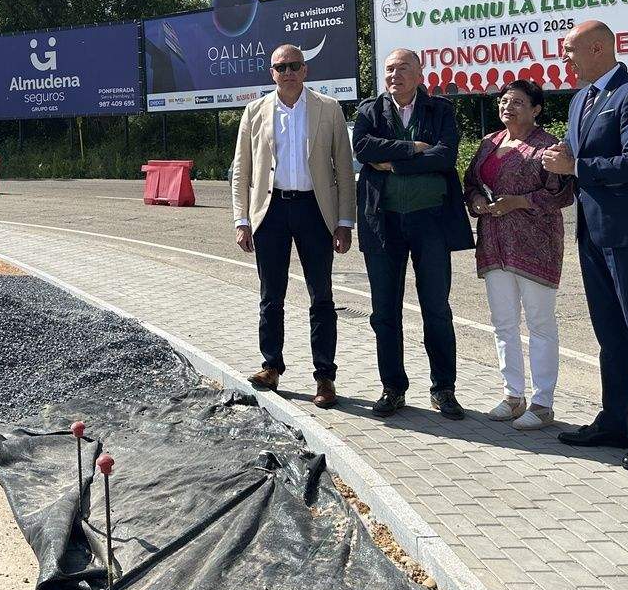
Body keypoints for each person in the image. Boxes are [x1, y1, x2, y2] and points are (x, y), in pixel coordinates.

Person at [543, 21, 628, 471]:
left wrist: (576, 164)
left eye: (569, 50)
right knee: (610, 335)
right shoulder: (582, 98)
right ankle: (614, 419)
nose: (564, 59)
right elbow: (578, 161)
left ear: (597, 48)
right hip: (593, 233)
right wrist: (563, 163)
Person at [231, 43, 357, 407]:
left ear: (305, 71)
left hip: (315, 212)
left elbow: (344, 170)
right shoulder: (254, 111)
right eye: (280, 67)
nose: (287, 72)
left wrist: (345, 220)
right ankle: (271, 366)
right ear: (271, 72)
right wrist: (242, 219)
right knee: (271, 296)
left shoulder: (329, 109)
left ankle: (325, 378)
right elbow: (242, 170)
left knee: (321, 297)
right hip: (270, 214)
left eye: (294, 66)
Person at [353, 49, 474, 420]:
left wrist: (393, 164)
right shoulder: (369, 111)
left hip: (430, 223)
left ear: (420, 74)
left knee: (436, 308)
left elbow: (445, 156)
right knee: (384, 311)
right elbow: (362, 147)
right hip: (383, 223)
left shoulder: (440, 111)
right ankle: (393, 387)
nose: (394, 74)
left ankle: (444, 389)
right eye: (389, 69)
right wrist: (411, 149)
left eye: (403, 68)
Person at [463, 80, 574, 430]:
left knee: (540, 324)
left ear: (536, 109)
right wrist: (477, 200)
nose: (508, 107)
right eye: (504, 101)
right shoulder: (488, 143)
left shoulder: (549, 147)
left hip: (535, 243)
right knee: (503, 323)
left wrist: (520, 202)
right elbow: (470, 182)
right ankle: (513, 395)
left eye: (518, 102)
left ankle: (542, 403)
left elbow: (562, 194)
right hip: (494, 241)